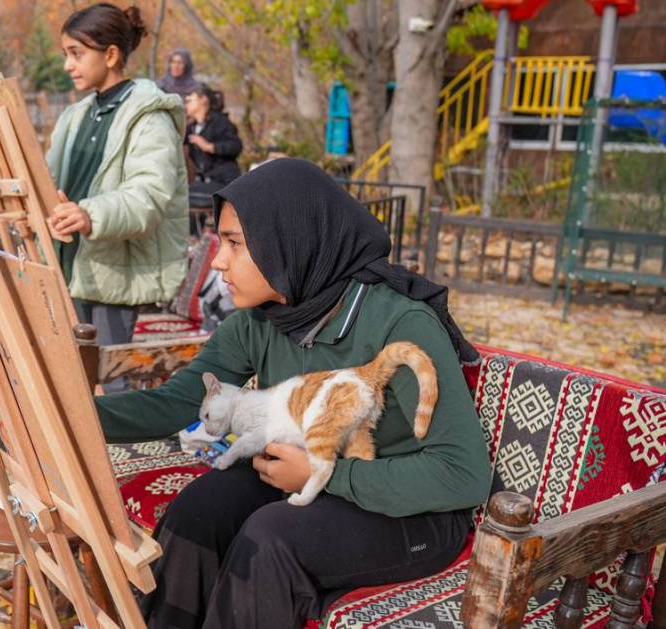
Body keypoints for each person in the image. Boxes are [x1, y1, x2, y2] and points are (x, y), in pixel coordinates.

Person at [95, 159, 491, 628]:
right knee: (199, 511)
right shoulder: (261, 319)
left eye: (235, 244)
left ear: (289, 242)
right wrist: (66, 415)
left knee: (270, 538)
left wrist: (325, 475)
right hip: (314, 481)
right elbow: (179, 401)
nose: (218, 260)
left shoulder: (399, 324)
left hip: (413, 513)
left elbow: (463, 476)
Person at [46, 2, 188, 391]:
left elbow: (148, 196)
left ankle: (120, 453)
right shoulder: (75, 116)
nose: (67, 66)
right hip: (69, 266)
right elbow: (51, 180)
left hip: (115, 272)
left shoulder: (150, 115)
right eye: (66, 55)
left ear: (110, 55)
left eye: (76, 54)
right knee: (72, 381)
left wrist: (90, 215)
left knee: (113, 384)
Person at [184, 84, 242, 209]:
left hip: (224, 183)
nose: (186, 104)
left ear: (203, 100)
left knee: (183, 195)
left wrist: (210, 147)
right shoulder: (191, 128)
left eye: (189, 100)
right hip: (206, 181)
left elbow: (236, 146)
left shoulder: (220, 122)